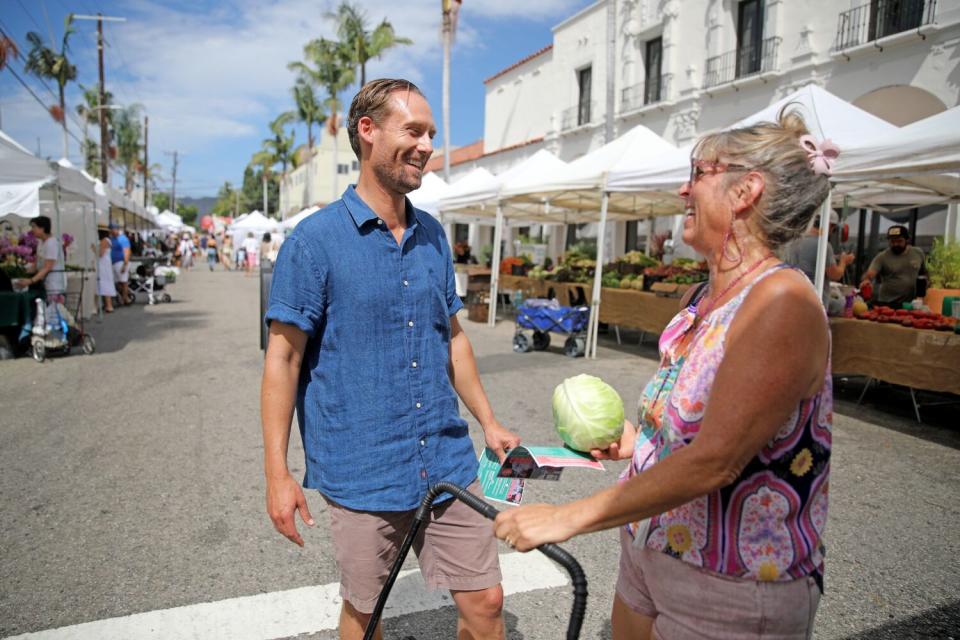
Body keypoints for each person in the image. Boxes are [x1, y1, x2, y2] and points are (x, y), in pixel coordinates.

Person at [494, 110, 834, 639]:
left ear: (745, 190)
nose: (682, 189)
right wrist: (636, 442)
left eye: (698, 173)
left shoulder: (781, 302)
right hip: (653, 549)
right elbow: (694, 425)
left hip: (733, 584)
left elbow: (717, 460)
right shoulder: (700, 298)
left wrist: (566, 517)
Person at [261, 78, 520, 640]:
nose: (428, 145)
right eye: (414, 130)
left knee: (488, 601)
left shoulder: (431, 234)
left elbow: (453, 337)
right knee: (366, 610)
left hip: (447, 457)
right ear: (368, 131)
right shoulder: (314, 241)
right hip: (363, 467)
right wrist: (277, 472)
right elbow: (282, 359)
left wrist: (490, 422)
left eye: (432, 133)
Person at [784, 210, 854, 301]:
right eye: (834, 229)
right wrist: (843, 262)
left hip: (793, 296)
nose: (832, 233)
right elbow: (835, 275)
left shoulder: (793, 241)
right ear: (829, 225)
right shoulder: (823, 245)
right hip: (814, 300)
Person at [859, 225, 926, 308]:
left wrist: (922, 295)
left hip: (911, 304)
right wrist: (866, 280)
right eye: (892, 241)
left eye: (899, 241)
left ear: (907, 240)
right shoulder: (882, 257)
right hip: (887, 304)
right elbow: (870, 274)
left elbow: (923, 275)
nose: (895, 244)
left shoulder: (918, 253)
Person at [15, 215, 66, 302]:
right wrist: (22, 274)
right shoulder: (41, 243)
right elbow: (36, 263)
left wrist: (31, 280)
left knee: (53, 311)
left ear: (42, 228)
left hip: (54, 285)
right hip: (43, 283)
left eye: (34, 227)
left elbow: (47, 267)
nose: (32, 230)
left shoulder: (52, 243)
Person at [109, 223, 132, 304]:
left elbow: (127, 251)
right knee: (118, 282)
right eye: (111, 229)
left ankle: (125, 298)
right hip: (114, 263)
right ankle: (124, 296)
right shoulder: (111, 239)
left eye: (113, 229)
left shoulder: (123, 239)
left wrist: (125, 264)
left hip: (121, 262)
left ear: (117, 229)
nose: (112, 231)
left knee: (123, 281)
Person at [96, 228, 116, 312]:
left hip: (103, 265)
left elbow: (100, 253)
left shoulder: (104, 240)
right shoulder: (108, 240)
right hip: (105, 264)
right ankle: (108, 304)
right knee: (106, 282)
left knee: (104, 283)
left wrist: (93, 248)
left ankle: (109, 305)